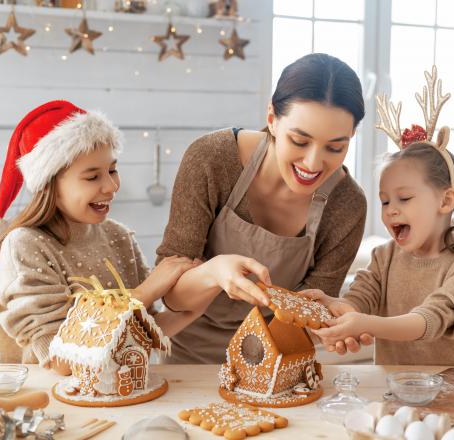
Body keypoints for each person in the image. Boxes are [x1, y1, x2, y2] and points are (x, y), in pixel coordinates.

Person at [156, 53, 368, 363]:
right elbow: (171, 294)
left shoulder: (347, 205)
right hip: (187, 358)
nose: (313, 163)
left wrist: (333, 319)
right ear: (271, 118)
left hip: (275, 361)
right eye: (299, 140)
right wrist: (214, 272)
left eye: (335, 147)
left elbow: (304, 318)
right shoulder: (212, 160)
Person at [0, 100, 201, 371]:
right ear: (50, 185)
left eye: (112, 170)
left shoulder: (118, 236)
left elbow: (143, 330)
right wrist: (144, 293)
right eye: (92, 177)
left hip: (116, 394)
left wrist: (203, 295)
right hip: (47, 403)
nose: (111, 186)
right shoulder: (25, 245)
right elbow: (61, 361)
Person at [308, 69, 454, 365]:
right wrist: (334, 307)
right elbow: (360, 298)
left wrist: (366, 324)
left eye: (405, 198)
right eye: (385, 201)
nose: (391, 210)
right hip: (394, 390)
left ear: (446, 199)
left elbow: (431, 319)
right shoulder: (385, 257)